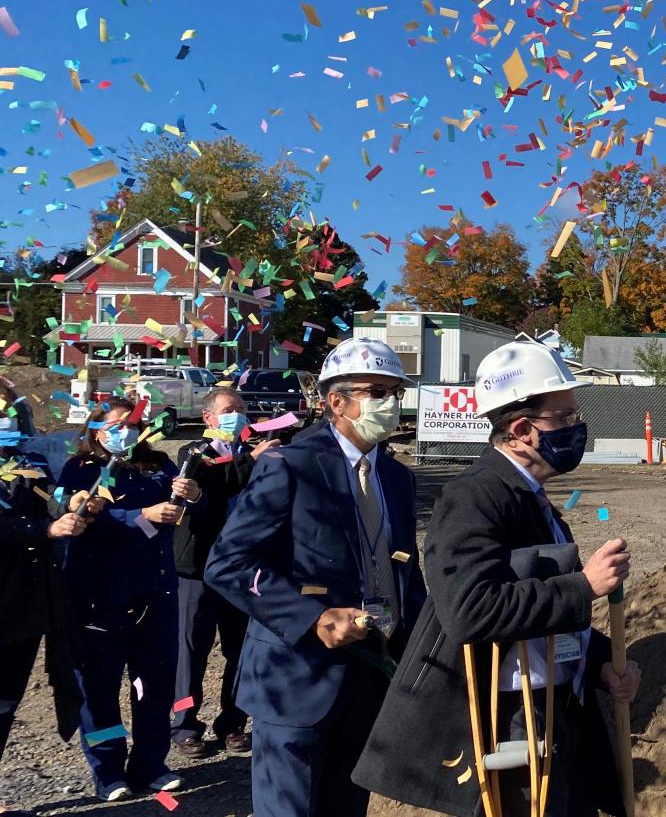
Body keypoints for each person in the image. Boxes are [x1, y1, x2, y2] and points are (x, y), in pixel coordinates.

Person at [354, 340, 639, 817]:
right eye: (565, 417)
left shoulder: (533, 498)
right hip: (509, 719)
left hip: (556, 712)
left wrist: (600, 666)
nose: (576, 427)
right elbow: (469, 610)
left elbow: (544, 624)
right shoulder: (474, 497)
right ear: (523, 430)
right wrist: (584, 586)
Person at [205, 338, 425, 817]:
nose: (389, 403)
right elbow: (228, 562)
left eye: (396, 392)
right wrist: (313, 618)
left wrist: (420, 653)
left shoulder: (397, 478)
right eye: (376, 392)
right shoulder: (291, 465)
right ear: (336, 401)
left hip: (369, 675)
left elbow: (404, 570)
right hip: (295, 677)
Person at [59, 399, 198, 802]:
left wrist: (192, 494)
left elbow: (180, 508)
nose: (127, 432)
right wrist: (141, 516)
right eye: (117, 425)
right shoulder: (80, 469)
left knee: (155, 686)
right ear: (97, 431)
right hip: (100, 597)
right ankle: (107, 771)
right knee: (99, 691)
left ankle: (150, 764)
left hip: (155, 593)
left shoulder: (157, 463)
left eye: (133, 424)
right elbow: (79, 518)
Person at [170, 387, 281, 758]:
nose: (238, 415)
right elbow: (215, 484)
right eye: (229, 409)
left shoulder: (252, 451)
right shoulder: (194, 452)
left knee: (240, 650)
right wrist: (252, 460)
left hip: (242, 568)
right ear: (209, 418)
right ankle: (185, 725)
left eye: (242, 408)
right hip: (198, 569)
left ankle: (233, 723)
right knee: (191, 651)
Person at [1, 418, 101, 817]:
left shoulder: (29, 461)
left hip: (25, 603)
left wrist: (71, 505)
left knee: (6, 702)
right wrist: (45, 529)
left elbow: (48, 498)